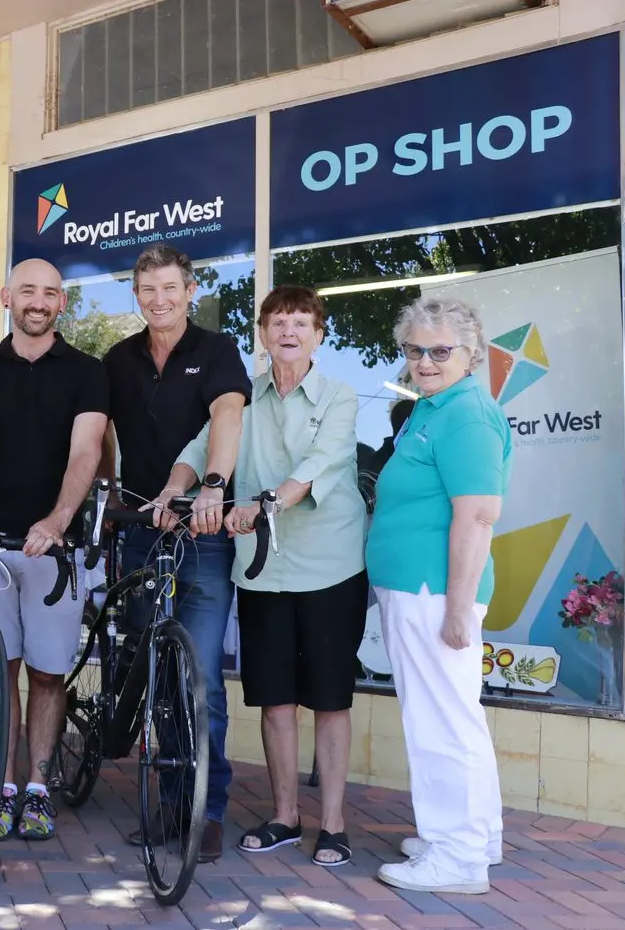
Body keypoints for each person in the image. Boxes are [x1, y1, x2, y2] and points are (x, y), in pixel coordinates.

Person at [171, 286, 367, 866]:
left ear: (319, 335)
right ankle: (285, 815)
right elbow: (199, 447)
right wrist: (172, 490)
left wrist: (263, 505)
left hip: (330, 565)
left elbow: (317, 466)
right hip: (261, 571)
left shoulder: (339, 395)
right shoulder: (242, 398)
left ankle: (332, 823)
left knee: (330, 700)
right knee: (275, 700)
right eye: (278, 322)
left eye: (301, 323)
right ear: (263, 333)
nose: (289, 332)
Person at [101, 244, 251, 861]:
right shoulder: (117, 358)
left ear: (191, 290)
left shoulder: (216, 351)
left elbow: (227, 414)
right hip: (139, 530)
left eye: (169, 288)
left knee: (203, 678)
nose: (158, 300)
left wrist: (214, 485)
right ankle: (170, 801)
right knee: (157, 674)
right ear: (136, 297)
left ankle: (207, 810)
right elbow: (94, 431)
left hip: (203, 534)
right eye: (147, 290)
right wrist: (103, 494)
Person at [0, 258, 108, 842]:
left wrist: (58, 519)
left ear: (61, 304)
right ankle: (4, 784)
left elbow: (86, 451)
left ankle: (39, 786)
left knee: (46, 674)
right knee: (3, 668)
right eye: (27, 291)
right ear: (6, 297)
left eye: (50, 293)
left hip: (55, 552)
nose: (38, 301)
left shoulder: (88, 371)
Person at [367, 296, 511, 895]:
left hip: (435, 594)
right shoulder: (436, 406)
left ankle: (456, 860)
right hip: (419, 589)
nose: (424, 361)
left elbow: (476, 517)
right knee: (452, 719)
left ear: (470, 353)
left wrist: (456, 606)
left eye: (440, 350)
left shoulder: (466, 414)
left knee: (441, 725)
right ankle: (473, 839)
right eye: (414, 350)